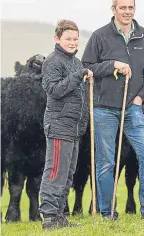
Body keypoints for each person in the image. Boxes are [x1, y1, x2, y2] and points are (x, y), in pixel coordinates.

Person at [81, 0, 144, 220]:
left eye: (130, 7)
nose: (127, 12)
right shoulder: (99, 36)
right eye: (122, 7)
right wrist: (112, 64)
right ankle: (107, 213)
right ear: (113, 9)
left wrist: (141, 97)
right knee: (105, 162)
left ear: (134, 9)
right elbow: (87, 67)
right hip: (103, 107)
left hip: (132, 107)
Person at [39, 19, 93, 230]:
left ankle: (60, 214)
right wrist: (79, 76)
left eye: (75, 39)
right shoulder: (52, 62)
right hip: (59, 125)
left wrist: (83, 77)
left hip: (74, 127)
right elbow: (55, 90)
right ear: (57, 38)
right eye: (68, 39)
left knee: (67, 173)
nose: (72, 43)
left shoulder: (75, 62)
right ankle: (50, 217)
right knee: (55, 171)